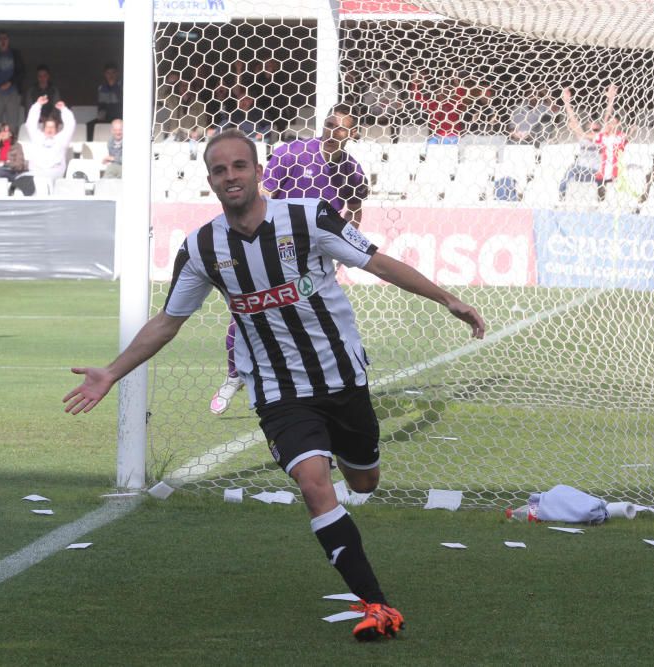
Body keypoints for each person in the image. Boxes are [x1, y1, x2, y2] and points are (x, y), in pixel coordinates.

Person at [63, 128, 485, 641]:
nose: (230, 177)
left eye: (239, 166)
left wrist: (447, 299)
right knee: (314, 484)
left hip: (342, 379)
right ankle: (377, 604)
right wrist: (113, 370)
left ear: (258, 170)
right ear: (210, 180)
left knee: (364, 482)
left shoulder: (309, 218)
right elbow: (168, 320)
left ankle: (361, 526)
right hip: (278, 392)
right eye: (219, 170)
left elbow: (376, 260)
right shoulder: (201, 248)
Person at [209, 105, 370, 414]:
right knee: (248, 310)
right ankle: (234, 375)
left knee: (317, 318)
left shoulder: (351, 170)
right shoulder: (293, 153)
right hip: (276, 245)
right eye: (329, 124)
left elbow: (356, 207)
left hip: (314, 255)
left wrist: (346, 244)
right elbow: (264, 193)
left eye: (340, 128)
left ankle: (324, 383)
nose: (331, 132)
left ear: (352, 135)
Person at [558, 84, 627, 201]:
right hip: (580, 169)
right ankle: (561, 197)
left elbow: (607, 116)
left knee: (604, 179)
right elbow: (573, 119)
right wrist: (566, 102)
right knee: (569, 172)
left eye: (596, 130)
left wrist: (611, 99)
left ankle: (600, 199)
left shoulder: (603, 138)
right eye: (590, 129)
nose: (593, 132)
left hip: (596, 171)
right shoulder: (582, 137)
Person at [24, 96, 76, 183]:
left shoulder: (62, 139)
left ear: (57, 129)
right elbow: (30, 123)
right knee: (20, 181)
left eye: (52, 127)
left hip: (54, 173)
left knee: (44, 184)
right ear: (43, 128)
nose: (50, 129)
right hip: (36, 172)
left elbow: (71, 125)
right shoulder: (37, 137)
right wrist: (38, 105)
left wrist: (64, 109)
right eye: (47, 127)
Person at [0, 123, 31, 194]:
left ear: (10, 134)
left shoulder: (17, 146)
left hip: (12, 172)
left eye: (5, 131)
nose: (2, 133)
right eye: (1, 131)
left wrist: (5, 163)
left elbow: (19, 165)